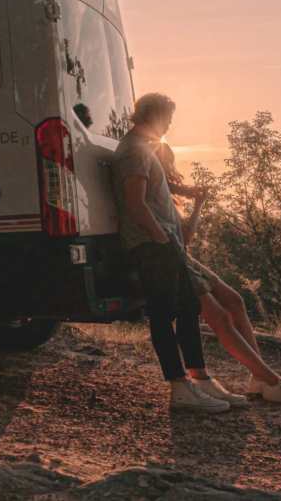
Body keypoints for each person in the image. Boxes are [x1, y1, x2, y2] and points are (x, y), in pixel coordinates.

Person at [153, 141, 281, 406]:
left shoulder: (169, 195)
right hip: (176, 262)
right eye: (167, 161)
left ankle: (260, 379)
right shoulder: (156, 195)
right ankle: (273, 381)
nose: (171, 167)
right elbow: (179, 241)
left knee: (235, 302)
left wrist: (196, 205)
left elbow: (187, 237)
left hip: (187, 258)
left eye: (171, 161)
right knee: (219, 317)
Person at [110, 92, 232, 412]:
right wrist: (160, 236)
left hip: (166, 245)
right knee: (163, 315)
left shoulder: (142, 149)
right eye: (168, 119)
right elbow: (135, 201)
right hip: (152, 246)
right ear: (153, 116)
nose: (169, 126)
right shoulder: (134, 151)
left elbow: (151, 190)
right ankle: (179, 388)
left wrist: (187, 195)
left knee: (188, 308)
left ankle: (200, 380)